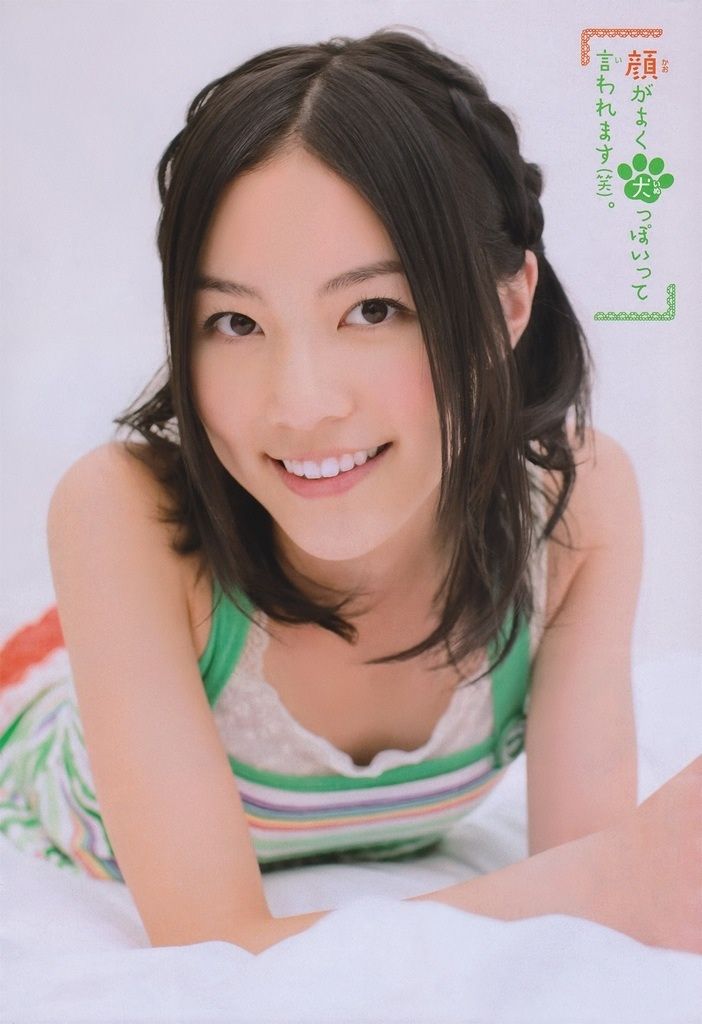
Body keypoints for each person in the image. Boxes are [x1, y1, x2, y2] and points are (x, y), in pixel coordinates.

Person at [1, 27, 700, 956]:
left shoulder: (572, 516)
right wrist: (606, 884)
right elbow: (212, 941)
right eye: (235, 321)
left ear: (508, 304)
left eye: (374, 310)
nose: (301, 405)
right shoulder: (120, 513)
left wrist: (626, 877)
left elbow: (598, 877)